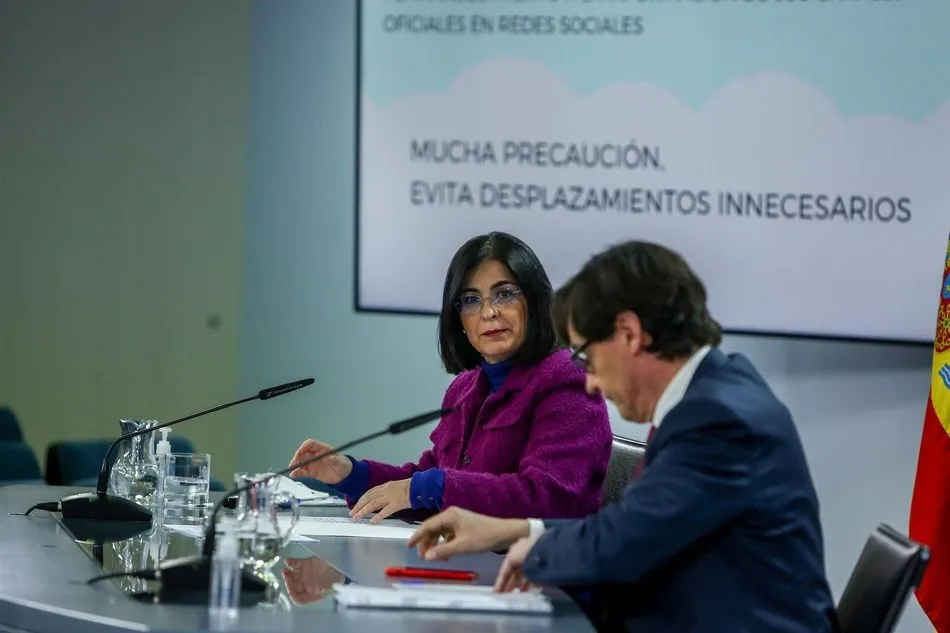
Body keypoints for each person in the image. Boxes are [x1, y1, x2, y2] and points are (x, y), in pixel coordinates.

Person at [407, 240, 838, 632]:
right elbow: (634, 526)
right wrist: (512, 531)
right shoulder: (715, 392)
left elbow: (625, 541)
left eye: (590, 357)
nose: (591, 383)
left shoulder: (719, 418)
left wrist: (527, 542)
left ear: (629, 334)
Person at [290, 231, 612, 523]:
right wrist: (351, 474)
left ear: (536, 301)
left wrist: (430, 486)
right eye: (471, 300)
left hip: (538, 575)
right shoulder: (465, 388)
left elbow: (548, 499)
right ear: (458, 319)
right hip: (471, 566)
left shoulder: (566, 380)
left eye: (505, 294)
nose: (489, 312)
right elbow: (429, 484)